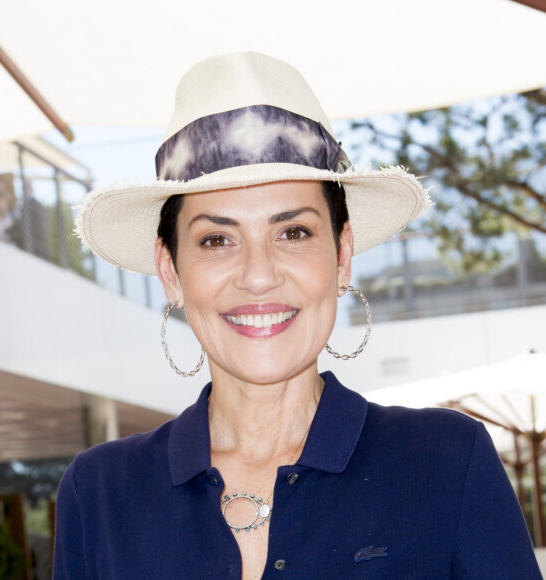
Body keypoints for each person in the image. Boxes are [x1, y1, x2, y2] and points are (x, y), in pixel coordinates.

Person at [54, 52, 541, 579]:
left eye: (293, 232)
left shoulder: (447, 461)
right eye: (217, 239)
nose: (258, 275)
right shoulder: (99, 492)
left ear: (342, 256)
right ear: (170, 271)